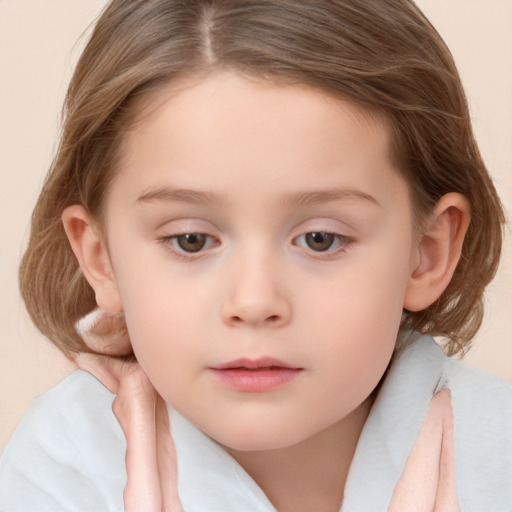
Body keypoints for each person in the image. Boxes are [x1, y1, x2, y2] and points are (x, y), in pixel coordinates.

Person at [0, 0, 510, 510]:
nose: (254, 300)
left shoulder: (496, 457)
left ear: (425, 253)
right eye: (191, 240)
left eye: (320, 239)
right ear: (101, 258)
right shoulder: (64, 466)